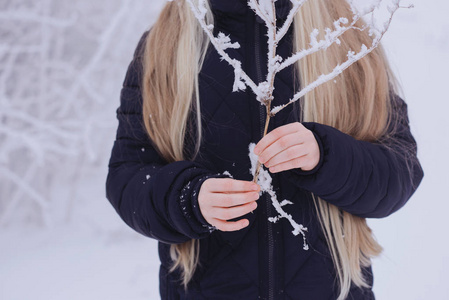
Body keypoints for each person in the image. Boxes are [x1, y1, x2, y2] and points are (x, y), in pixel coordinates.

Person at [106, 0, 423, 299]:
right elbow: (128, 176)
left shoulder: (344, 37)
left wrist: (326, 156)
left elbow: (400, 171)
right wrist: (186, 198)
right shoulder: (165, 45)